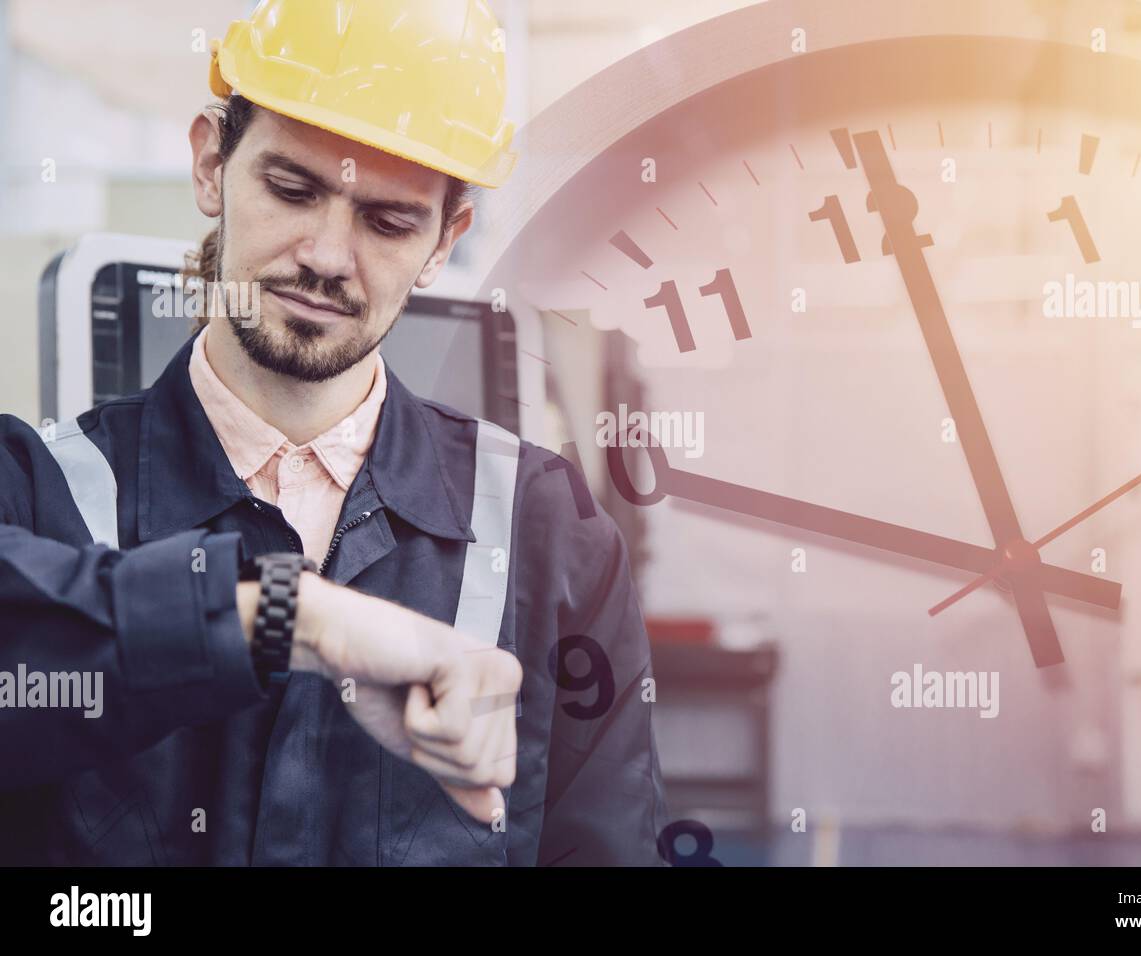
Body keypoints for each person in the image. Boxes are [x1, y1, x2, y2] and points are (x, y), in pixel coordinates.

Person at [0, 0, 668, 866]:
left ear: (444, 240)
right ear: (211, 162)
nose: (325, 255)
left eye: (388, 221)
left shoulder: (551, 537)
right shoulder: (38, 492)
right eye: (291, 189)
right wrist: (294, 619)